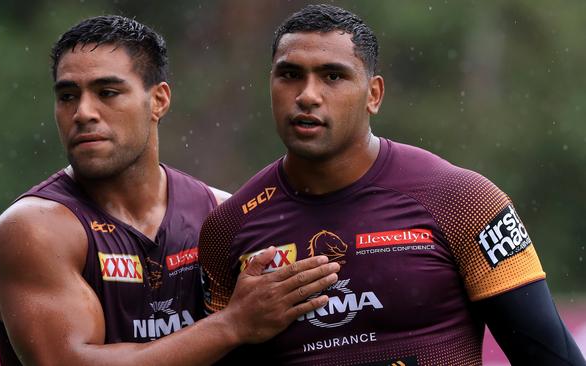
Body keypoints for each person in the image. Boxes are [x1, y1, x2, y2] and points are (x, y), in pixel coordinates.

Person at [199, 4, 586, 365]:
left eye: (333, 76)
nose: (307, 96)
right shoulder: (228, 229)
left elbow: (551, 356)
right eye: (290, 75)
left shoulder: (467, 202)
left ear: (374, 95)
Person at [0, 15, 341, 366]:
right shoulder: (33, 230)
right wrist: (232, 325)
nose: (83, 112)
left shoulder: (222, 216)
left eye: (107, 92)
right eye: (67, 96)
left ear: (159, 100)